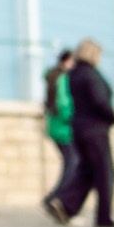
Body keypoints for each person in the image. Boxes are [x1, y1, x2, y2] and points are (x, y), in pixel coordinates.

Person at [47, 39, 114, 227]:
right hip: (95, 129)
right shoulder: (90, 75)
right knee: (105, 173)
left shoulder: (72, 75)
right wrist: (111, 116)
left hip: (78, 127)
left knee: (87, 171)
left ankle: (64, 204)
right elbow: (99, 101)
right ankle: (104, 217)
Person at [39, 48, 75, 216]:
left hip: (56, 126)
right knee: (72, 164)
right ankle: (55, 198)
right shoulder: (63, 78)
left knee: (70, 164)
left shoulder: (53, 77)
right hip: (64, 128)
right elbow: (63, 103)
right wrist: (72, 118)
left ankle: (55, 198)